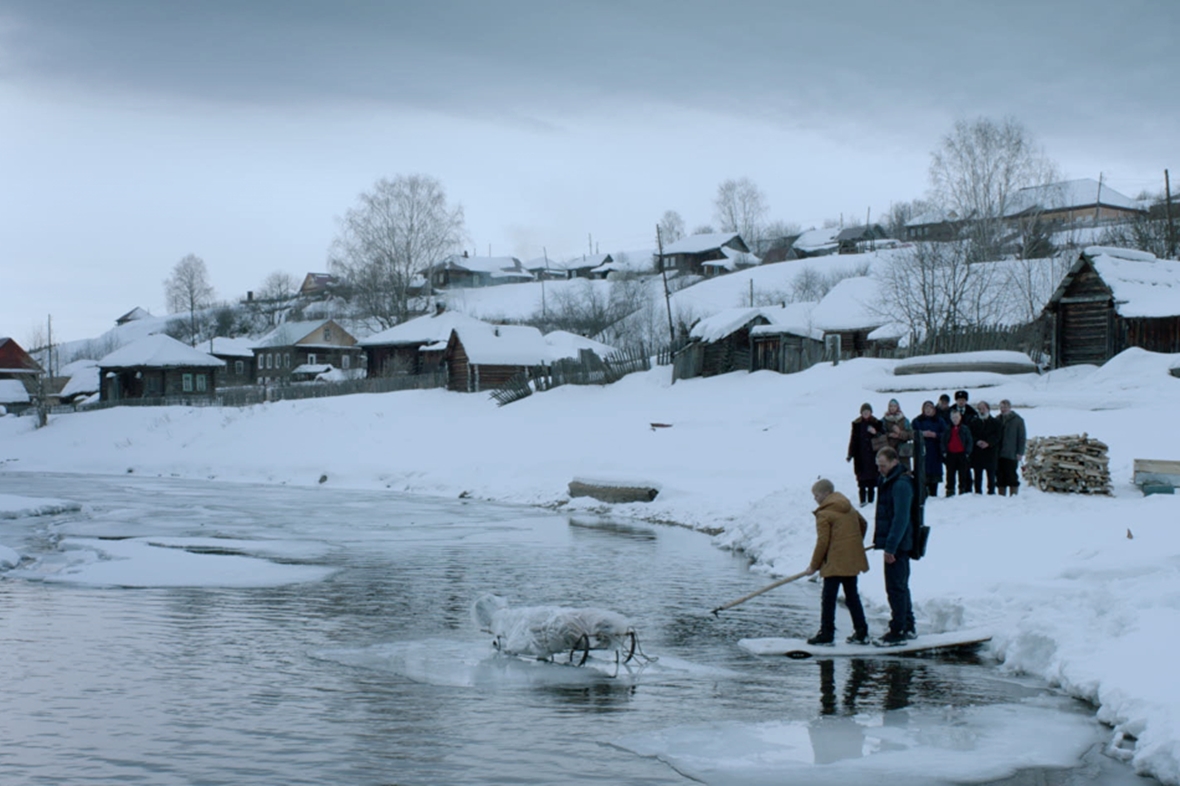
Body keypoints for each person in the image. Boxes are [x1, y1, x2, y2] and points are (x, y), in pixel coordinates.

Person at [805, 479, 871, 645]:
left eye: (817, 495)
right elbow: (863, 524)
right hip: (850, 559)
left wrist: (814, 565)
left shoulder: (824, 513)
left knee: (828, 598)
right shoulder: (848, 507)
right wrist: (854, 544)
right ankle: (861, 632)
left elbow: (822, 542)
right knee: (852, 596)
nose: (815, 499)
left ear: (826, 494)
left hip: (834, 561)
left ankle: (826, 634)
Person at [872, 447, 915, 644]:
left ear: (894, 462)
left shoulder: (901, 484)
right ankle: (907, 625)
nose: (880, 469)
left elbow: (901, 518)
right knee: (900, 586)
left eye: (883, 465)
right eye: (878, 465)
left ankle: (898, 630)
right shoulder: (888, 481)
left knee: (896, 587)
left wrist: (890, 547)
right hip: (895, 542)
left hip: (898, 544)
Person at [847, 404, 883, 507]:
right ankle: (862, 500)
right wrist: (850, 454)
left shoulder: (877, 423)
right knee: (861, 481)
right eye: (864, 412)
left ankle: (871, 501)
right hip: (860, 457)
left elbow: (882, 438)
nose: (866, 414)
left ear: (871, 413)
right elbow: (853, 440)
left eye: (867, 412)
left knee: (872, 480)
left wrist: (875, 432)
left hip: (873, 456)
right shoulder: (857, 424)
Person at [910, 401, 945, 499]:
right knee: (922, 473)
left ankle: (934, 493)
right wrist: (922, 434)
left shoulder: (939, 421)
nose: (928, 410)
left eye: (930, 408)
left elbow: (945, 434)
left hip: (935, 451)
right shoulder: (917, 421)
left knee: (934, 475)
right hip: (922, 450)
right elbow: (911, 432)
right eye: (926, 408)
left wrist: (936, 435)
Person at [939, 410, 974, 497]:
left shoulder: (964, 429)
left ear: (960, 418)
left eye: (957, 417)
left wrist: (967, 452)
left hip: (962, 454)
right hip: (950, 454)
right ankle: (950, 490)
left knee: (963, 473)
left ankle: (962, 489)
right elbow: (943, 441)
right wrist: (944, 451)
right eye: (953, 418)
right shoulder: (947, 429)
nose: (955, 420)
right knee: (950, 473)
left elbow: (969, 441)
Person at [969, 401, 1000, 494]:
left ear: (988, 409)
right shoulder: (973, 422)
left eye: (984, 409)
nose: (982, 411)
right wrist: (977, 441)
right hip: (977, 452)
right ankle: (977, 492)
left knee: (991, 475)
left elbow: (998, 436)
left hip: (991, 452)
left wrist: (989, 443)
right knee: (977, 475)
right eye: (980, 409)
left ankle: (991, 492)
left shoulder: (995, 422)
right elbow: (970, 435)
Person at [997, 399, 1027, 496]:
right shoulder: (997, 419)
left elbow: (1022, 437)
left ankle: (1013, 494)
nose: (1003, 409)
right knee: (1000, 475)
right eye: (1001, 407)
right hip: (999, 453)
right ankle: (1001, 494)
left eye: (1005, 407)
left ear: (1010, 408)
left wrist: (1020, 452)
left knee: (1011, 475)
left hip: (1011, 452)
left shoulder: (1018, 420)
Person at [880, 399, 913, 470]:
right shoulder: (884, 421)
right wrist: (889, 435)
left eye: (894, 406)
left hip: (903, 452)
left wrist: (900, 433)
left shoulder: (904, 420)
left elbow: (910, 434)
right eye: (891, 406)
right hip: (889, 451)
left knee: (904, 473)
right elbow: (879, 434)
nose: (892, 408)